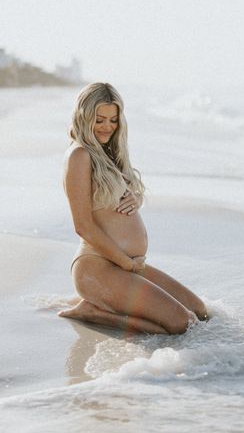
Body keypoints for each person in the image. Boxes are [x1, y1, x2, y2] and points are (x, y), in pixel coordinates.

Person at [58, 82, 208, 335]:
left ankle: (107, 305)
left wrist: (136, 197)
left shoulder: (105, 153)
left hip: (126, 265)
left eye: (113, 120)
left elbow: (120, 193)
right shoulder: (79, 156)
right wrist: (127, 265)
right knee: (182, 323)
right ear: (84, 117)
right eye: (99, 120)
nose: (107, 126)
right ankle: (94, 312)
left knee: (200, 312)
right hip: (100, 267)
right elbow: (83, 226)